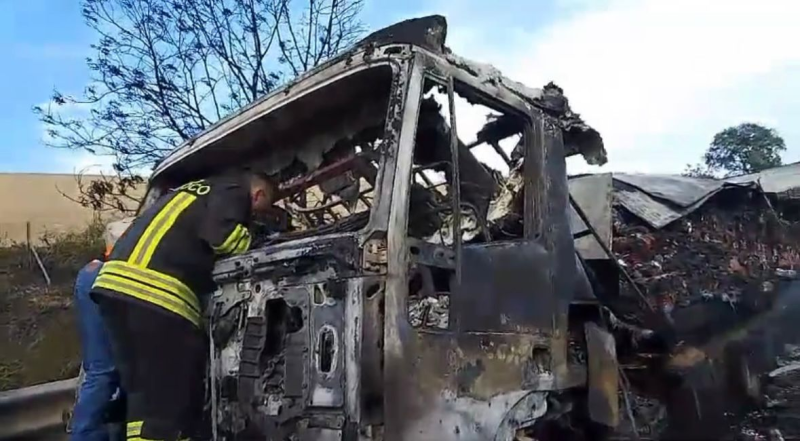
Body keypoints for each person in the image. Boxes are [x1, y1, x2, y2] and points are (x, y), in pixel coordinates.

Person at [91, 171, 278, 441]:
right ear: (257, 195)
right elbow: (223, 238)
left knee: (144, 397)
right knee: (171, 398)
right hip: (155, 294)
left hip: (114, 288)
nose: (257, 214)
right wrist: (260, 238)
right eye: (262, 209)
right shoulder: (234, 188)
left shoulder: (190, 190)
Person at [71, 219, 132, 441]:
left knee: (100, 371)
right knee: (104, 372)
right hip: (105, 360)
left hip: (98, 354)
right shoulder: (108, 274)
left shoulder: (90, 270)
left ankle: (89, 433)